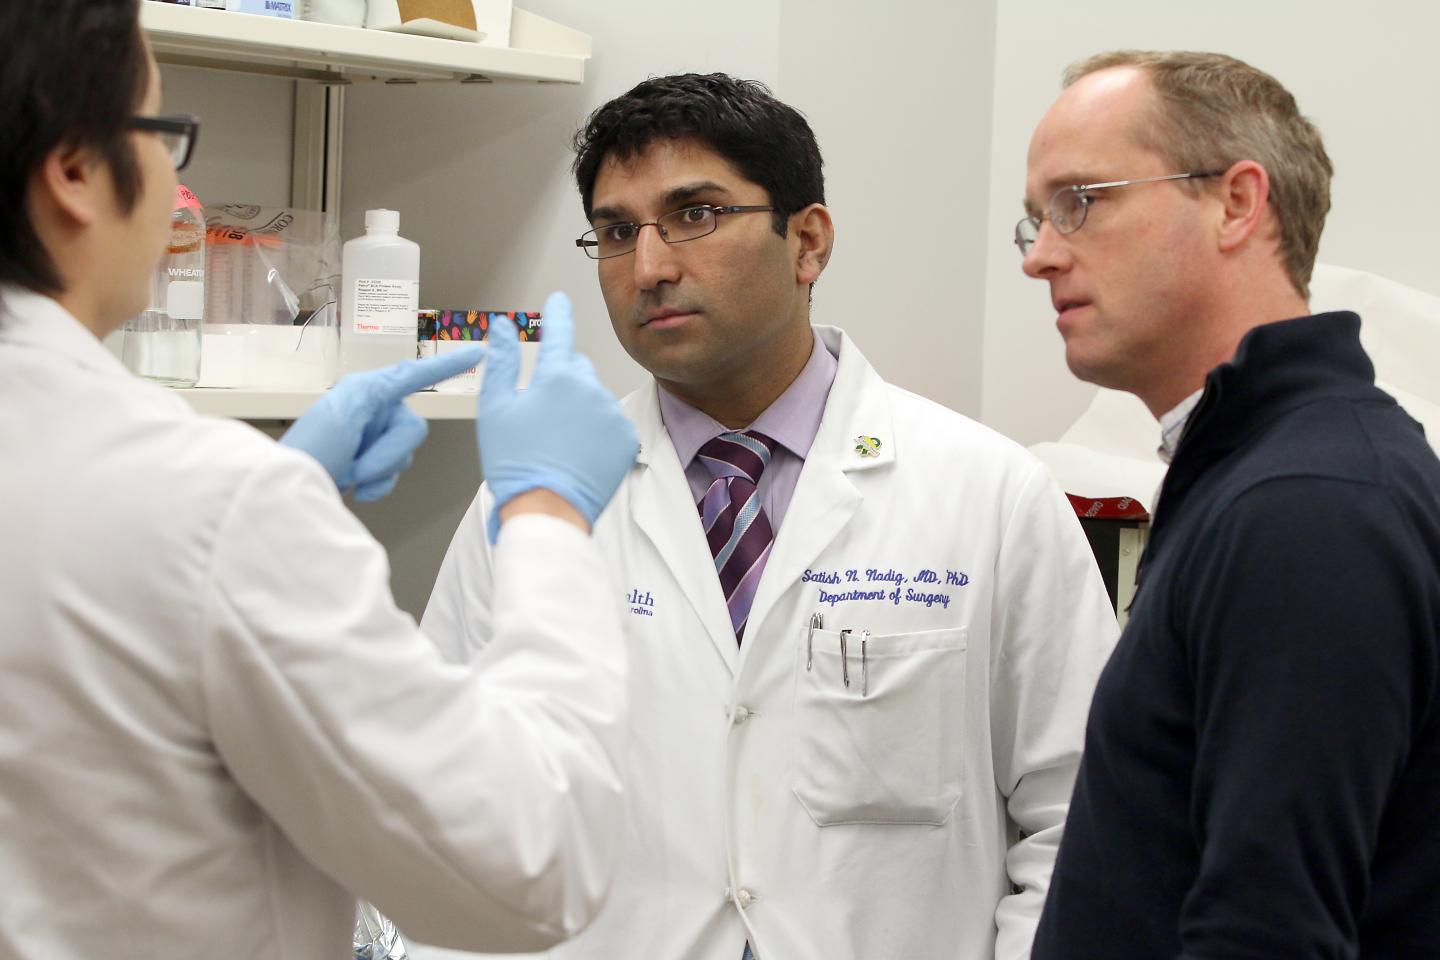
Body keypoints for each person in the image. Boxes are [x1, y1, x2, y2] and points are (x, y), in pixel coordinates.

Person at [423, 72, 1118, 960]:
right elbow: (451, 803)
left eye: (696, 214)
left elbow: (1080, 817)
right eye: (615, 231)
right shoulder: (531, 504)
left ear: (810, 241)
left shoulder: (987, 494)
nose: (651, 266)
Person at [0, 1, 640, 956]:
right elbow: (530, 861)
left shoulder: (175, 491)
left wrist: (276, 491)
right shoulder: (201, 503)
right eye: (164, 134)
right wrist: (546, 509)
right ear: (77, 173)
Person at [1017, 51, 1440, 958]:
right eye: (1035, 220)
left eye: (1080, 200)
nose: (1042, 254)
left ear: (1237, 204)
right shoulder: (1248, 473)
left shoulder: (1309, 506)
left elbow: (1268, 930)